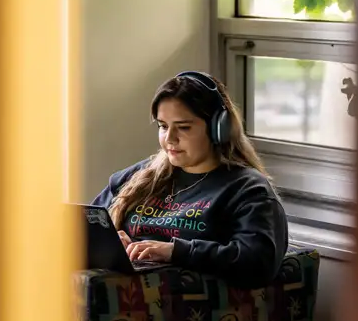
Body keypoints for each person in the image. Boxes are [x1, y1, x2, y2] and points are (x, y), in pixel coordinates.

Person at [91, 71, 288, 289]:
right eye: (163, 126)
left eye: (183, 127)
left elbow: (259, 261)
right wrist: (109, 242)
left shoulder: (247, 189)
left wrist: (175, 251)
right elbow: (83, 226)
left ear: (218, 129)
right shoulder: (138, 177)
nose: (170, 139)